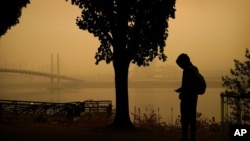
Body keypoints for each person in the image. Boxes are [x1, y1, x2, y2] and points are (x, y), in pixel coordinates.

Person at [175, 53, 199, 141]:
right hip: (194, 97)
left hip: (186, 99)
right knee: (192, 118)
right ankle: (193, 137)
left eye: (180, 64)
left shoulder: (187, 71)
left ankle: (185, 136)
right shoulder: (195, 69)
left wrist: (181, 92)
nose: (180, 67)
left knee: (185, 118)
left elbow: (186, 85)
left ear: (183, 62)